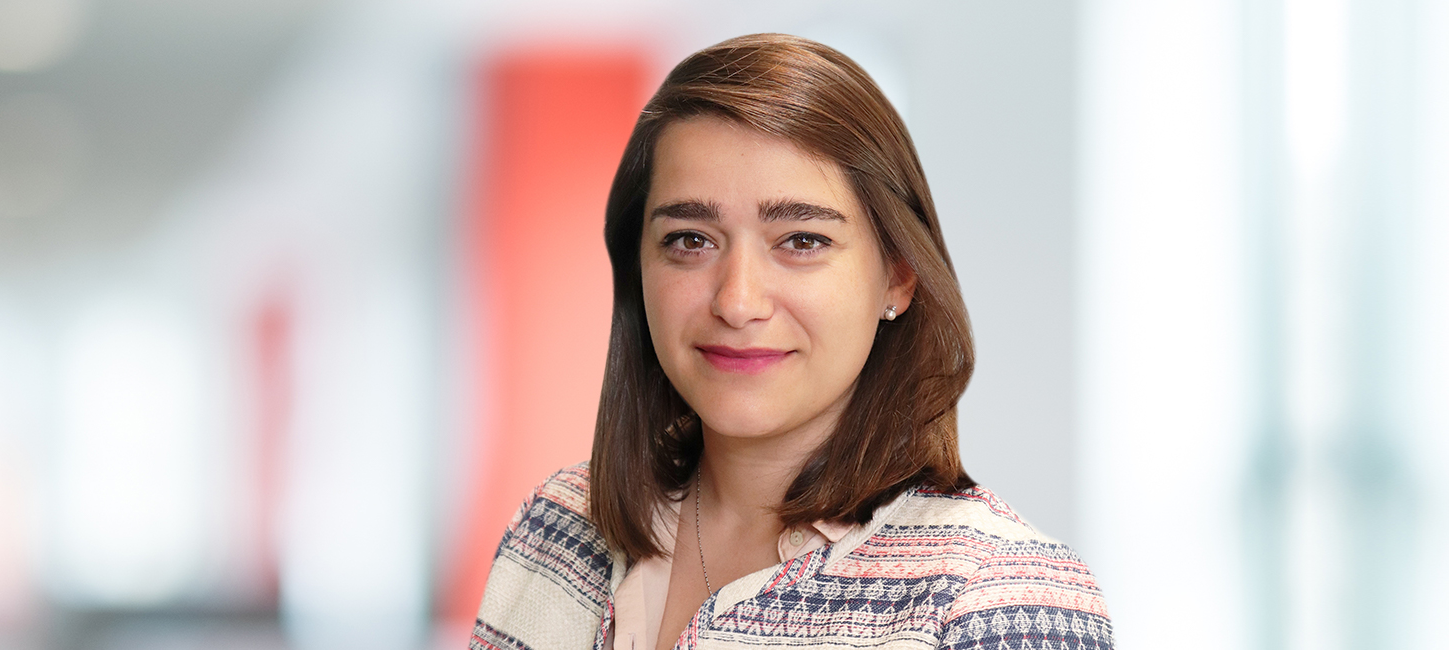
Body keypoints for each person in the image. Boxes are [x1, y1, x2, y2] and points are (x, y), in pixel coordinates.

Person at [468, 34, 1112, 650]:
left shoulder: (1000, 600)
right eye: (690, 239)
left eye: (802, 241)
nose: (737, 301)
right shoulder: (555, 526)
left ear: (898, 275)